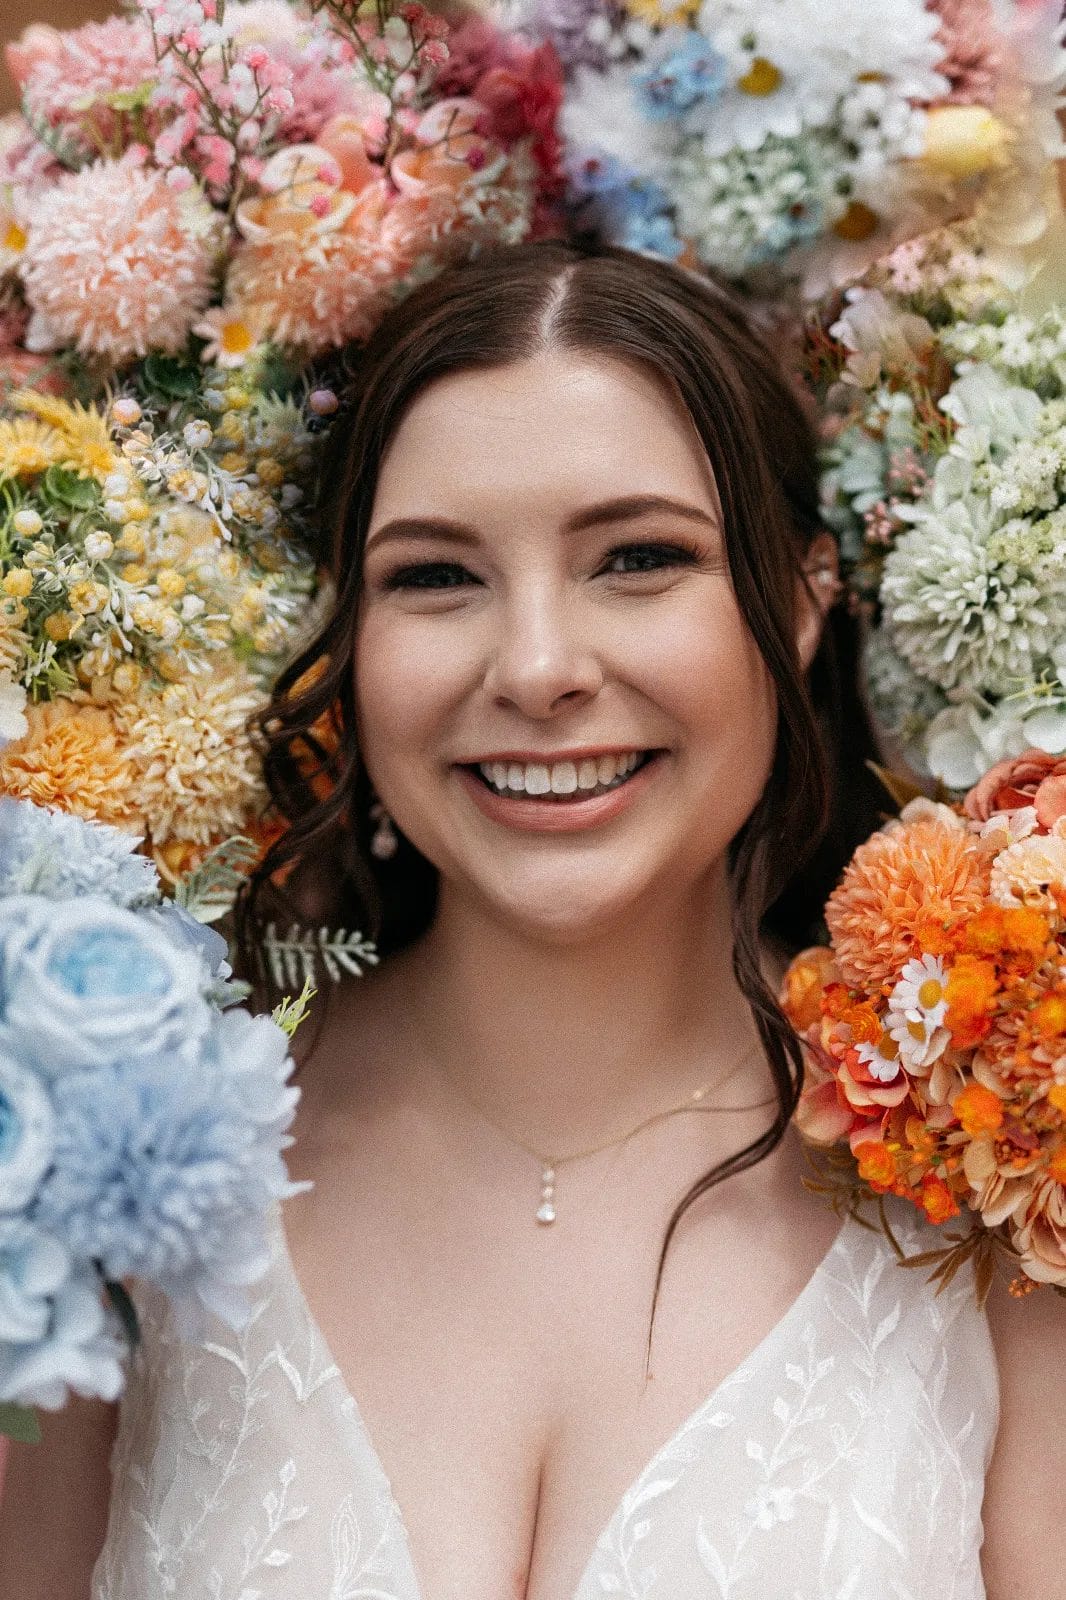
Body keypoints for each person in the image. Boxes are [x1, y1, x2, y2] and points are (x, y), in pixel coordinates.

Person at [0, 240, 1062, 1600]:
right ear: (347, 640)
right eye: (435, 577)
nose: (540, 668)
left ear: (798, 605)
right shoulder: (120, 1167)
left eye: (635, 557)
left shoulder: (998, 1185)